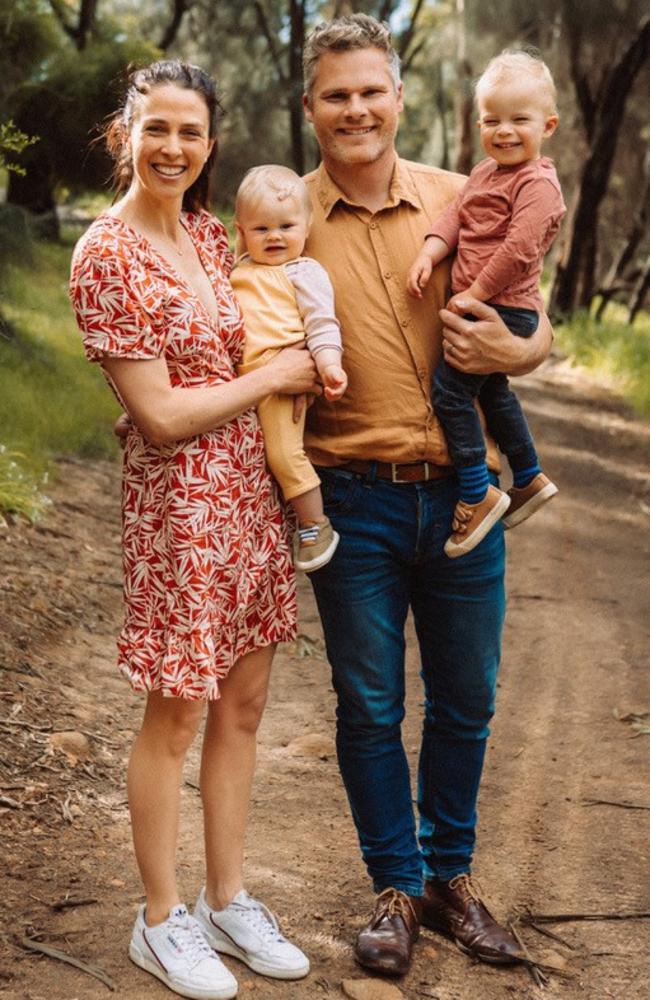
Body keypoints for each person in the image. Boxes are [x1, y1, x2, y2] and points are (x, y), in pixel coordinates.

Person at [299, 14, 554, 977]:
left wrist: (518, 349)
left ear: (400, 98)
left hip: (463, 499)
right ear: (312, 106)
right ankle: (395, 889)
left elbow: (538, 331)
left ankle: (451, 880)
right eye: (337, 94)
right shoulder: (286, 218)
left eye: (373, 90)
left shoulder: (470, 192)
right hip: (351, 499)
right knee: (368, 706)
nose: (357, 108)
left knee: (467, 699)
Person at [69, 60, 314, 1000]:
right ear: (124, 134)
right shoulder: (106, 253)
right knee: (174, 714)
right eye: (157, 128)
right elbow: (163, 416)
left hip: (250, 504)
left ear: (213, 144)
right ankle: (160, 919)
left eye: (192, 132)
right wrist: (273, 379)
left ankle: (226, 899)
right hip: (180, 520)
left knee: (243, 707)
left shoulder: (218, 240)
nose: (174, 147)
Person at [407, 50, 565, 558]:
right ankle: (531, 475)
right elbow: (457, 214)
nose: (503, 131)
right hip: (486, 301)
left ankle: (476, 493)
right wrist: (431, 254)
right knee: (492, 391)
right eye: (491, 119)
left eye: (519, 120)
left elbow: (520, 250)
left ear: (548, 125)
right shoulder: (485, 172)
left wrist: (472, 294)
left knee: (451, 395)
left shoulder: (537, 184)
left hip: (505, 306)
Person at [231, 164, 347, 572]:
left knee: (283, 453)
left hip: (283, 381)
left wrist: (329, 364)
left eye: (286, 226)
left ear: (307, 226)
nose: (275, 236)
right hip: (241, 383)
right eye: (261, 229)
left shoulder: (304, 272)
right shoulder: (236, 271)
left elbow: (321, 323)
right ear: (241, 231)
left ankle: (315, 524)